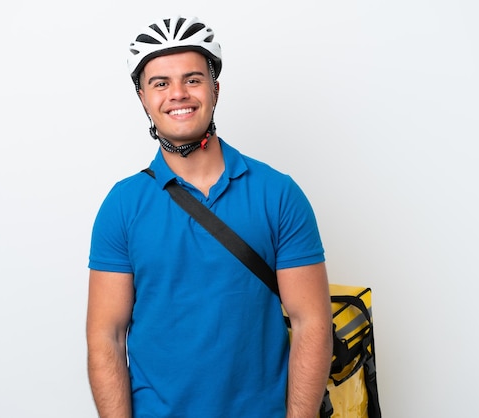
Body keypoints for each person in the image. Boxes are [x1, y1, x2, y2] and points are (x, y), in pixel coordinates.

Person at [86, 15, 332, 418]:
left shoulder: (278, 193)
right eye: (160, 83)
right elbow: (106, 337)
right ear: (143, 97)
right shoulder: (123, 205)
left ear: (215, 89)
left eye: (193, 79)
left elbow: (312, 323)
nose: (178, 94)